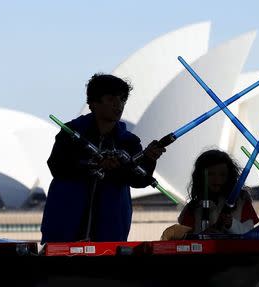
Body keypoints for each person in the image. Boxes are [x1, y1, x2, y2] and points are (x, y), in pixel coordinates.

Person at [41, 73, 166, 244]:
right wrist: (93, 165)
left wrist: (150, 159)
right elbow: (57, 166)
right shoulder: (71, 133)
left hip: (110, 231)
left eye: (122, 99)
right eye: (111, 98)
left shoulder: (129, 141)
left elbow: (140, 180)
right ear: (93, 103)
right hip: (65, 227)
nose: (118, 104)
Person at [161, 149, 259, 240]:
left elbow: (249, 234)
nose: (216, 179)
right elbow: (187, 239)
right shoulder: (192, 208)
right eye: (211, 174)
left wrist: (231, 224)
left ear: (229, 176)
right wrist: (202, 235)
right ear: (201, 176)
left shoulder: (241, 202)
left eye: (222, 174)